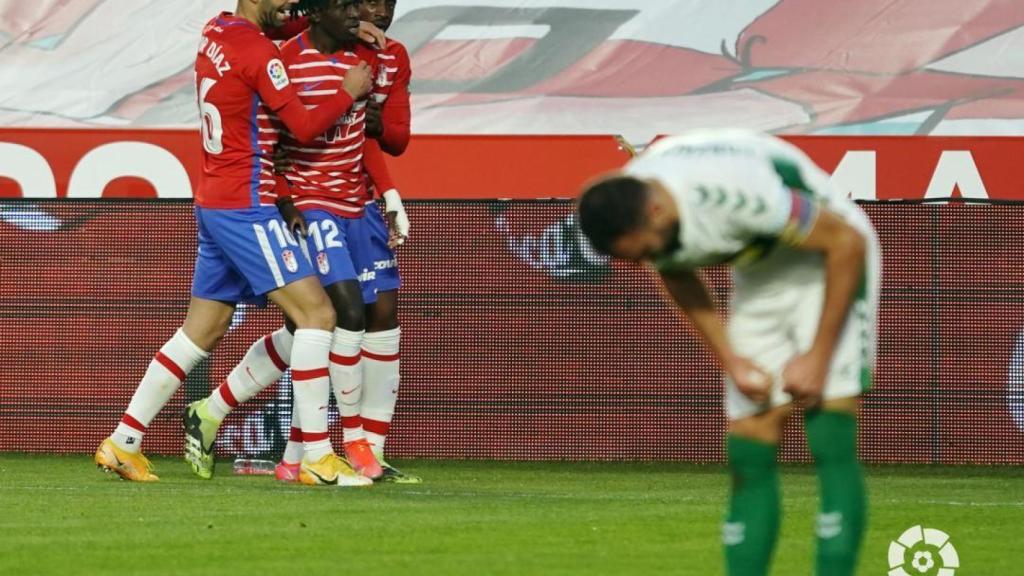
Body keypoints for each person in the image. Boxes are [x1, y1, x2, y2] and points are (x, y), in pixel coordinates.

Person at [93, 0, 374, 487]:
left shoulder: (216, 32)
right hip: (247, 204)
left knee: (202, 330)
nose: (293, 4)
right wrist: (347, 92)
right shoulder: (260, 53)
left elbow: (274, 27)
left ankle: (123, 441)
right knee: (318, 315)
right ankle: (317, 458)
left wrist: (319, 21)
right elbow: (305, 127)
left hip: (214, 197)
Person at [576, 130, 878, 576]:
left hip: (830, 255)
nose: (643, 265)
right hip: (760, 272)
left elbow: (844, 244)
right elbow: (675, 273)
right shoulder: (634, 200)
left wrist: (817, 356)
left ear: (656, 212)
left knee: (826, 426)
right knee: (749, 445)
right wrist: (732, 361)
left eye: (642, 253)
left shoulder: (733, 196)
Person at [182, 0, 398, 483]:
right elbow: (282, 135)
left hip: (355, 207)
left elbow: (391, 137)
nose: (367, 14)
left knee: (314, 329)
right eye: (350, 6)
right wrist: (285, 201)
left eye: (372, 7)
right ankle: (345, 445)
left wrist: (390, 191)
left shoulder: (373, 57)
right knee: (332, 315)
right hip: (299, 205)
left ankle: (282, 448)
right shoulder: (280, 57)